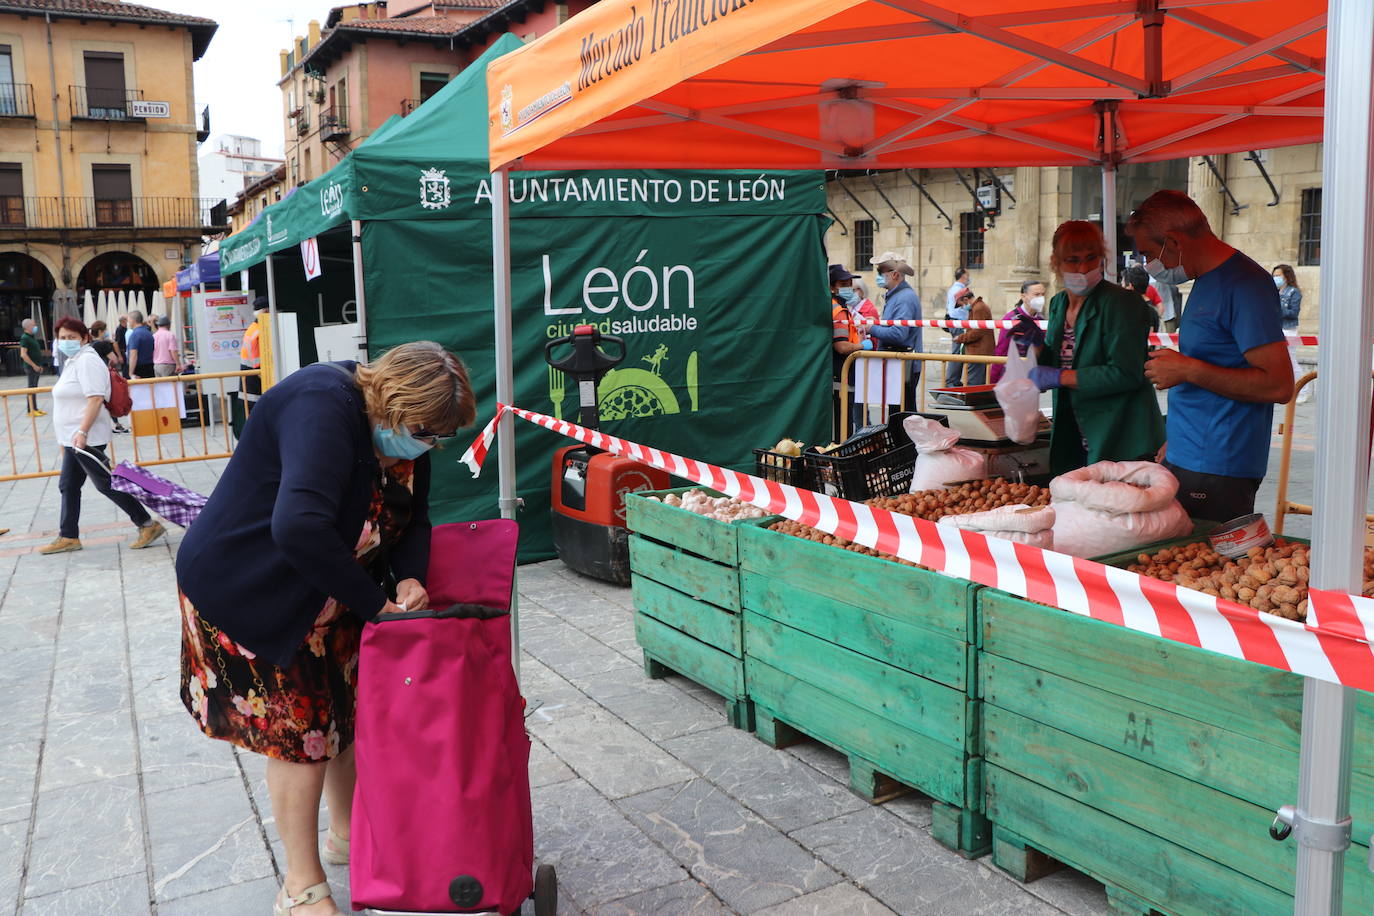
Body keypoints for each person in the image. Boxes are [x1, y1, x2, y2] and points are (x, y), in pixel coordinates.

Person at [175, 342, 476, 916]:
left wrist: (409, 577)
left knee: (347, 715)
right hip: (253, 590)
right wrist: (378, 607)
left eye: (437, 437)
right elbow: (300, 527)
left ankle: (348, 837)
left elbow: (416, 517)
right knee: (301, 736)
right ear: (390, 402)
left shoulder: (410, 427)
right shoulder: (323, 406)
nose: (427, 445)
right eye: (423, 432)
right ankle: (300, 886)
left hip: (330, 592)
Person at [1126, 190, 1292, 521]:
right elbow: (1215, 360)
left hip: (1218, 466)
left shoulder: (1245, 286)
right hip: (1188, 454)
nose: (1148, 265)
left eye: (1148, 253)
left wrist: (1188, 369)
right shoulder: (1206, 280)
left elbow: (1279, 385)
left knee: (1195, 565)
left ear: (1172, 242)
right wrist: (1175, 440)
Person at [1027, 221, 1164, 475]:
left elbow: (1126, 373)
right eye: (1073, 260)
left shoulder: (1124, 304)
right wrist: (1033, 349)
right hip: (1075, 432)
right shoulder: (1058, 304)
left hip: (1122, 436)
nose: (1083, 268)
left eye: (1092, 258)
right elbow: (1056, 359)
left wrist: (1060, 377)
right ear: (1056, 263)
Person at [37, 317, 165, 556]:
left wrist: (82, 432)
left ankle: (148, 524)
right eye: (62, 338)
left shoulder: (87, 361)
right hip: (74, 437)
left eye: (71, 337)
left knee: (105, 483)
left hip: (87, 436)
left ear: (84, 338)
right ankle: (68, 535)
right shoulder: (74, 361)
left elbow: (95, 398)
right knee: (68, 485)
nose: (66, 341)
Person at [866, 252, 925, 407]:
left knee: (902, 416)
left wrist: (871, 328)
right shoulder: (898, 295)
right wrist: (877, 325)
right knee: (901, 414)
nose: (877, 276)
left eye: (880, 272)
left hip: (902, 366)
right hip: (899, 365)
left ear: (895, 275)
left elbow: (898, 334)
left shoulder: (903, 298)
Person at [990, 279, 1046, 385]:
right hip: (1012, 378)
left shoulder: (1041, 321)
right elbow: (1002, 351)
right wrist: (993, 381)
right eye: (1036, 294)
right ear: (1023, 296)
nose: (1041, 298)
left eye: (1043, 294)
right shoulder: (1011, 319)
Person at [952, 294, 994, 387]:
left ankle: (973, 401)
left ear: (966, 299)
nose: (962, 307)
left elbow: (977, 332)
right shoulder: (978, 307)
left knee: (973, 384)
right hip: (980, 351)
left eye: (961, 305)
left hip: (978, 351)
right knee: (978, 383)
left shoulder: (978, 308)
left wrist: (960, 338)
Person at [944, 269, 972, 388]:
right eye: (968, 276)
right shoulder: (960, 290)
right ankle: (951, 381)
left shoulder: (953, 288)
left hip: (956, 322)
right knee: (957, 352)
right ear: (963, 276)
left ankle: (954, 380)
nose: (969, 278)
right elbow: (962, 307)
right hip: (958, 323)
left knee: (959, 351)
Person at [19, 318, 45, 416]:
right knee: (31, 388)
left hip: (36, 366)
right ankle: (30, 410)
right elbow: (23, 354)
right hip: (31, 367)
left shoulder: (31, 337)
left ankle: (35, 408)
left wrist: (39, 365)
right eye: (34, 325)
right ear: (28, 326)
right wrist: (34, 365)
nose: (35, 327)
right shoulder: (25, 338)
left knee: (34, 388)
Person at [1123, 266, 1162, 331]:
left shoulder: (1128, 311)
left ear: (1130, 286)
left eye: (1123, 285)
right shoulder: (1151, 311)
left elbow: (1148, 337)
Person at [125, 309, 155, 379]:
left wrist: (130, 373)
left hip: (138, 368)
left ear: (133, 320)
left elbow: (133, 354)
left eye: (128, 320)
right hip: (150, 366)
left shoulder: (135, 334)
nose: (128, 323)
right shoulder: (149, 333)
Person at [1273, 264, 1301, 330]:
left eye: (1278, 275)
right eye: (1274, 276)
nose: (1275, 278)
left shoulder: (1294, 292)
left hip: (1288, 329)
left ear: (1286, 276)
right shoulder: (1273, 292)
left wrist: (1277, 310)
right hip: (1275, 328)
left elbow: (1294, 313)